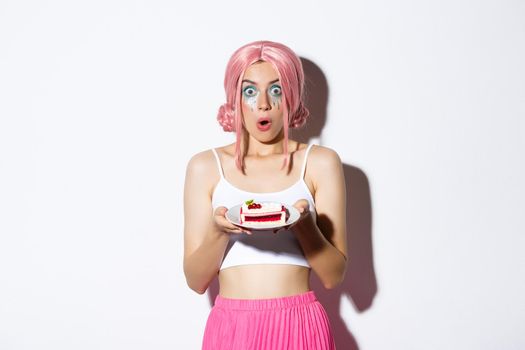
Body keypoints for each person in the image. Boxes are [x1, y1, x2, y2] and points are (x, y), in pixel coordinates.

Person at [183, 40, 347, 350]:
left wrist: (305, 225)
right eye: (249, 91)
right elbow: (195, 280)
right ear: (234, 98)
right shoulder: (205, 167)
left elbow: (333, 276)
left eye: (276, 90)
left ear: (292, 97)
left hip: (299, 323)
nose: (263, 104)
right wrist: (219, 231)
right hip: (232, 328)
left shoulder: (320, 163)